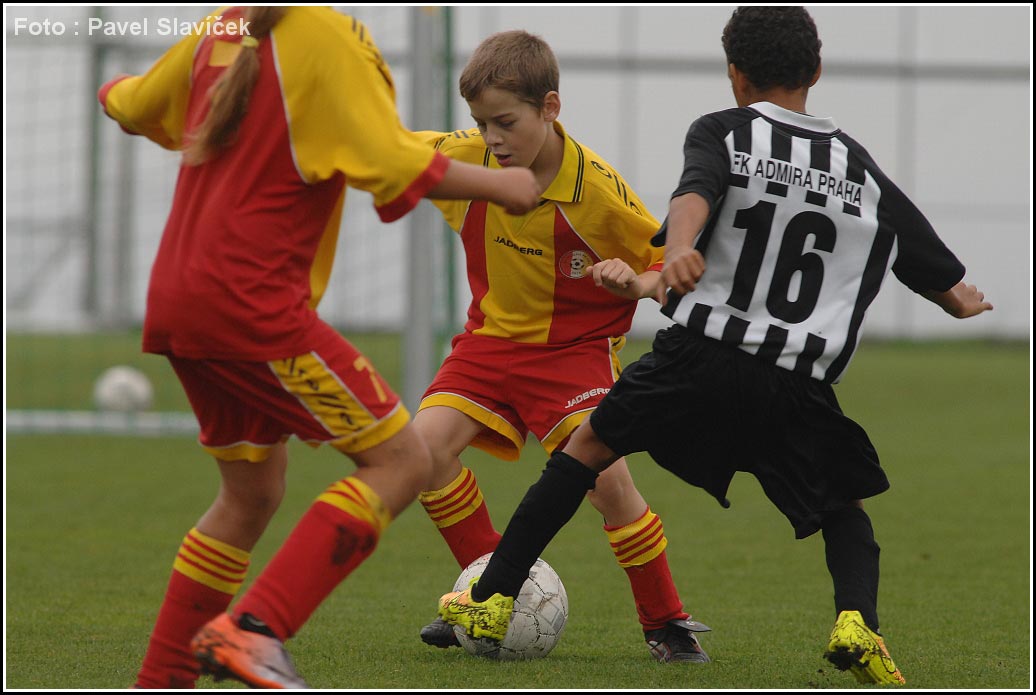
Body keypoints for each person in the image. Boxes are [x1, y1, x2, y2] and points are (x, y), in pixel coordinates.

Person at [437, 6, 993, 686]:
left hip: (700, 352)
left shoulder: (723, 131)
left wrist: (675, 250)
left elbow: (695, 193)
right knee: (843, 507)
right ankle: (858, 623)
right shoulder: (859, 167)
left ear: (735, 76)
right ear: (816, 70)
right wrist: (958, 298)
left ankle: (493, 597)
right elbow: (922, 255)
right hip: (795, 376)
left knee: (585, 452)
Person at [98, 6, 539, 689]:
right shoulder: (331, 37)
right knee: (402, 460)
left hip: (181, 296)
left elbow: (134, 105)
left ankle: (160, 681)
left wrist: (109, 89)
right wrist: (501, 183)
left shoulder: (225, 25)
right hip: (251, 304)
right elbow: (387, 160)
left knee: (250, 494)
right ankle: (255, 628)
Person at [410, 30, 709, 663]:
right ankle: (489, 594)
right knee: (420, 452)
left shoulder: (597, 192)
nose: (492, 139)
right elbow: (384, 151)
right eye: (481, 124)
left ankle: (666, 621)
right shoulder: (466, 158)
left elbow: (668, 264)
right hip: (488, 345)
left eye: (506, 123)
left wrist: (635, 278)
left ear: (550, 107)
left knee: (608, 482)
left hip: (573, 353)